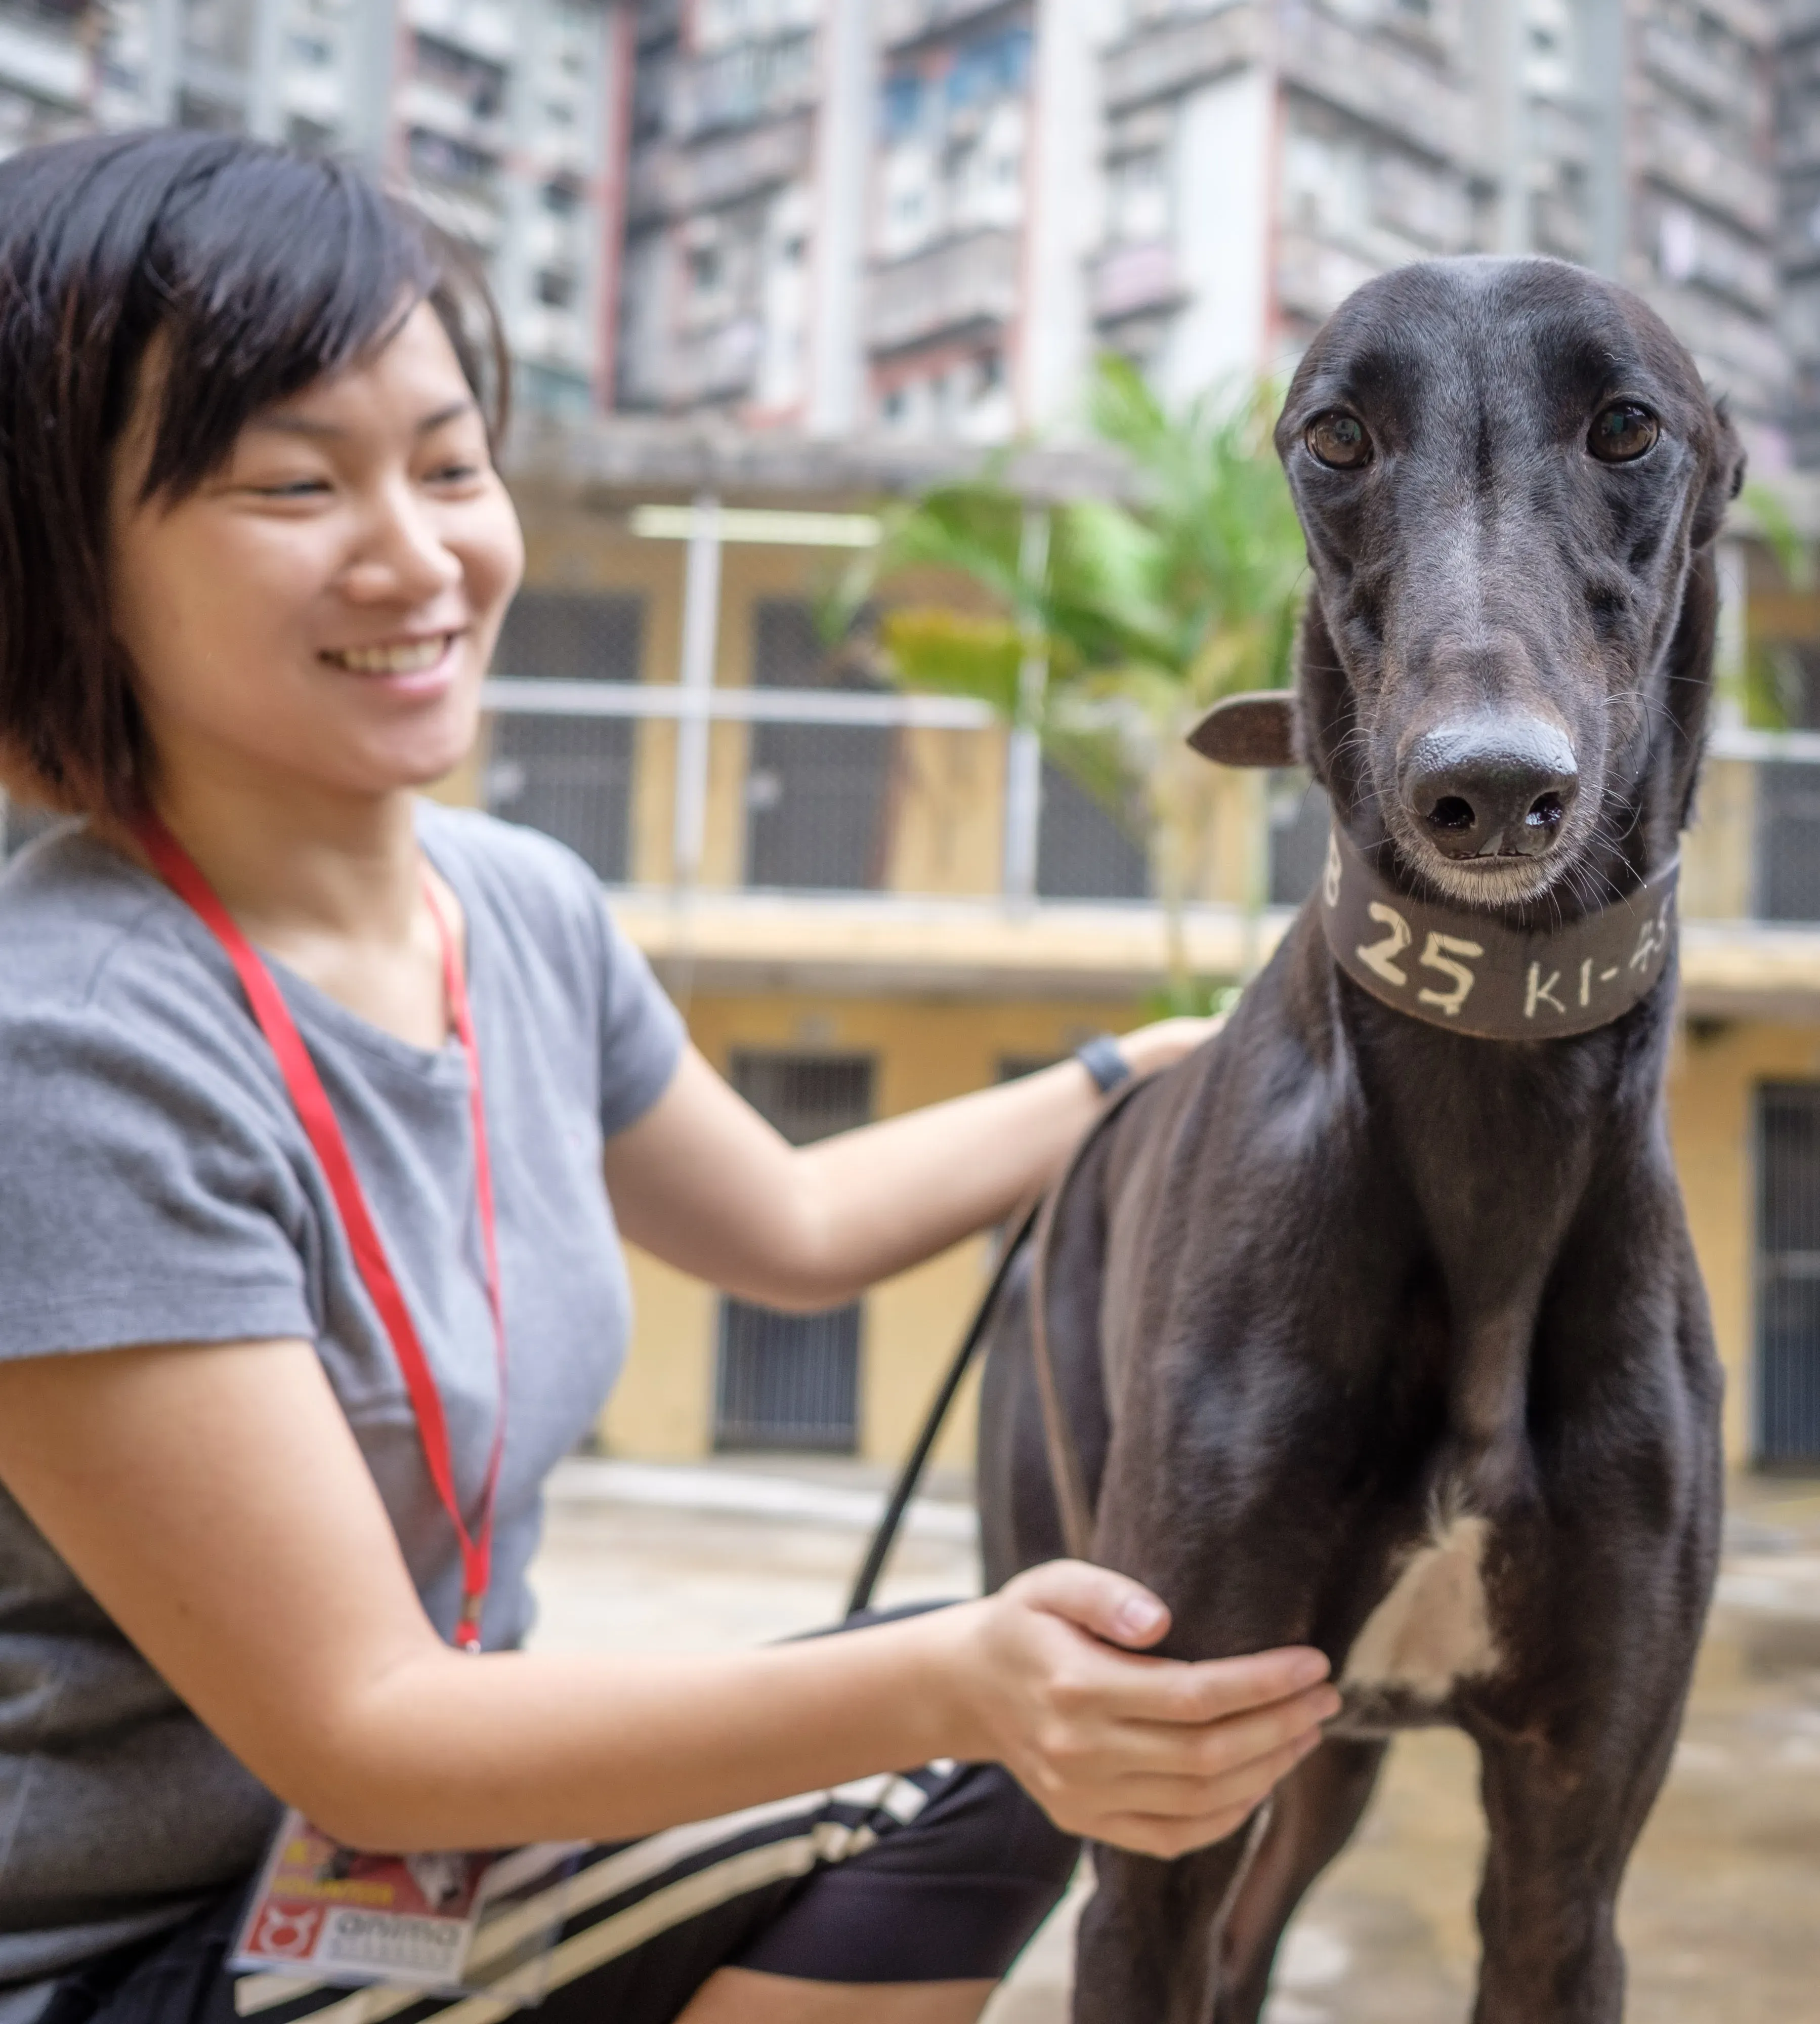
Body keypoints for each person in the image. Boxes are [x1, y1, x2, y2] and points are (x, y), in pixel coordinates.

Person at [0, 131, 1339, 2024]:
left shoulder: (515, 907)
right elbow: (369, 1734)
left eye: (451, 461)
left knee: (1004, 1724)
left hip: (401, 1895)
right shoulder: (65, 1048)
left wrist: (1144, 1073)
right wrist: (961, 1674)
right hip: (121, 1963)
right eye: (294, 483)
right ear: (67, 560)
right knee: (956, 1747)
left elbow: (788, 1227)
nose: (418, 550)